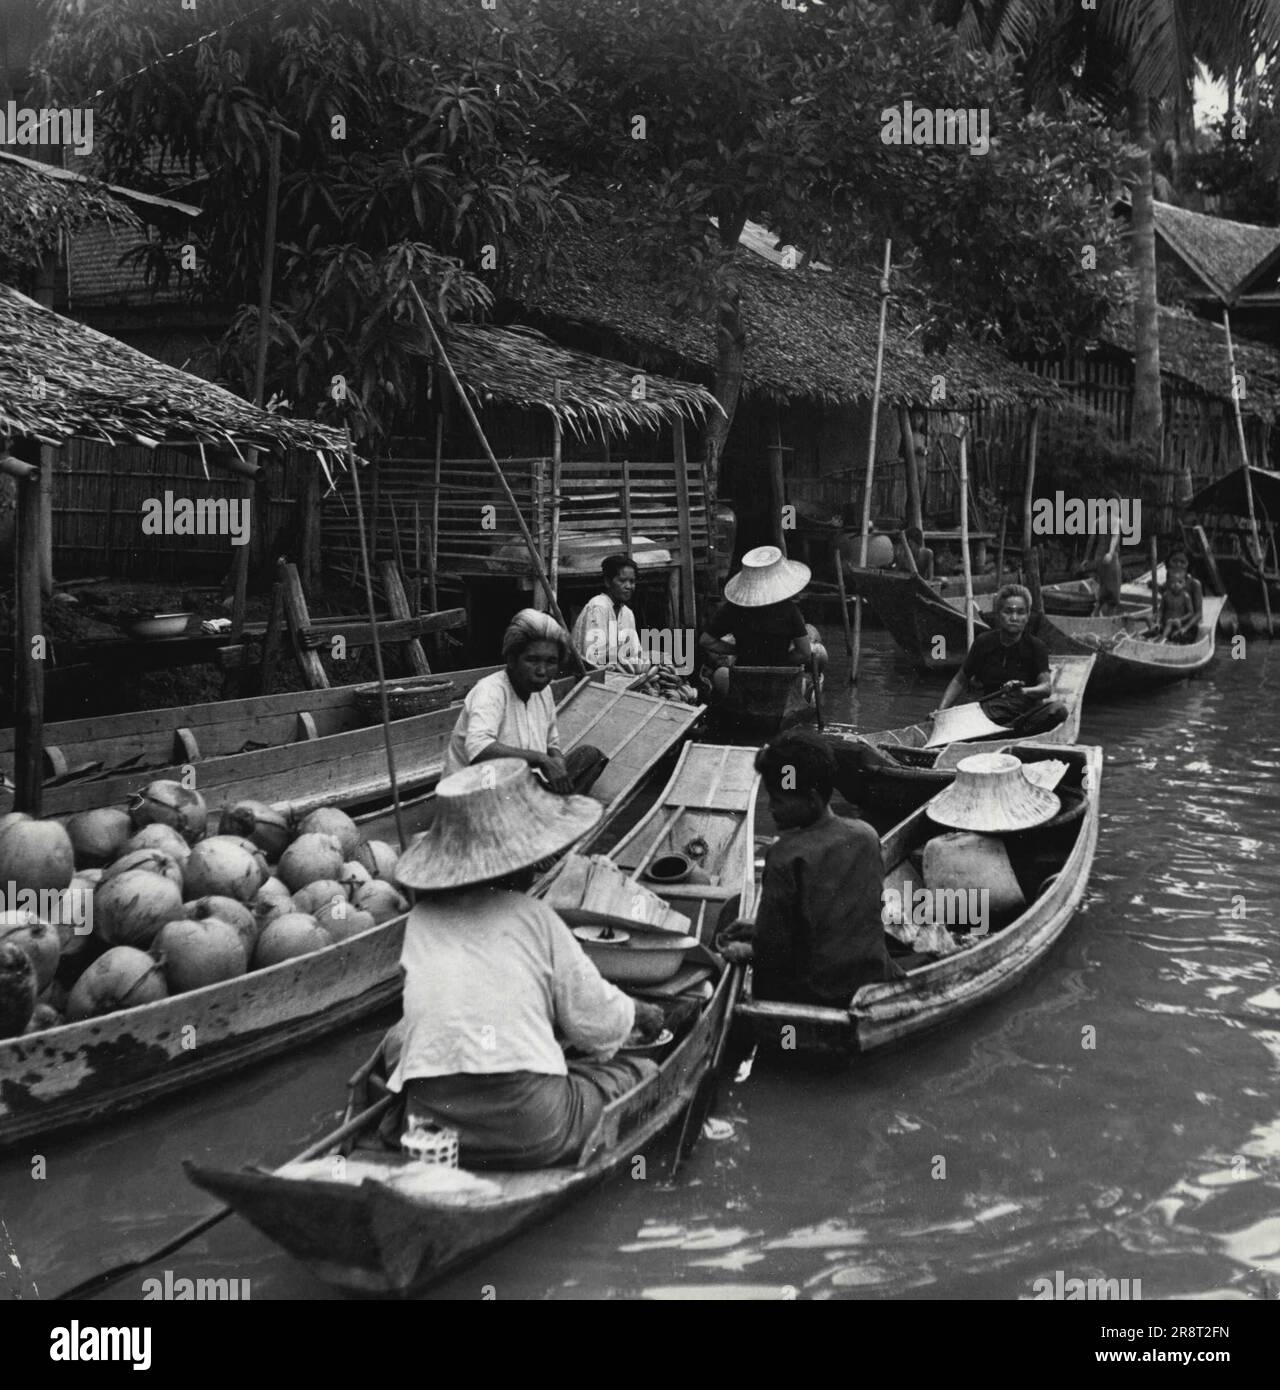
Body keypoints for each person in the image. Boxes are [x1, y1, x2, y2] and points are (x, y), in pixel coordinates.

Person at [386, 759, 667, 1169]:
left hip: (429, 1121)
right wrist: (640, 1013)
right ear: (520, 862)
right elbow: (594, 1023)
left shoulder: (420, 921)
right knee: (635, 1074)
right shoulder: (536, 918)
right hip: (531, 1128)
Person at [716, 729, 903, 1005]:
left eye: (779, 800)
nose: (771, 809)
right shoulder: (866, 835)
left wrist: (744, 950)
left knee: (728, 943)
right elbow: (840, 921)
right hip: (871, 979)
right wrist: (758, 929)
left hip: (811, 993)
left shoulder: (785, 855)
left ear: (812, 799)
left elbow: (772, 953)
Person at [444, 608, 606, 794]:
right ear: (512, 659)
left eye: (551, 661)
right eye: (532, 660)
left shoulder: (543, 693)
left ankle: (547, 807)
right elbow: (479, 748)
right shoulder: (490, 691)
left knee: (590, 756)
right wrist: (542, 760)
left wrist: (557, 763)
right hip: (479, 793)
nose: (542, 671)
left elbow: (551, 744)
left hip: (520, 784)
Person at [699, 545, 827, 702]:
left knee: (720, 674)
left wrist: (738, 650)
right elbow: (804, 652)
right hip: (781, 679)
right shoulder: (789, 610)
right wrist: (780, 658)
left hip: (744, 679)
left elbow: (706, 641)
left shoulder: (732, 609)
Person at [937, 584, 1067, 736]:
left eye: (1020, 612)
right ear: (998, 614)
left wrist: (1024, 691)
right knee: (971, 714)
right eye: (1008, 611)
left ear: (1027, 616)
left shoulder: (1036, 647)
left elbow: (1046, 688)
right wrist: (941, 711)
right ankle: (996, 733)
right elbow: (960, 680)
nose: (1014, 618)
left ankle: (1001, 734)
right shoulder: (983, 642)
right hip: (988, 713)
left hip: (1023, 715)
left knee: (1058, 710)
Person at [571, 553, 697, 701]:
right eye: (622, 581)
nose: (629, 586)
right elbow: (592, 656)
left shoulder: (627, 613)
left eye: (632, 581)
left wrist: (656, 656)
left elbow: (635, 652)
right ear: (607, 582)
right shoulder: (598, 606)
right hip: (592, 679)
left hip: (622, 677)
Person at [1144, 549, 1204, 643]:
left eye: (1182, 562)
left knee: (1177, 638)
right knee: (1150, 631)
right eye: (1175, 561)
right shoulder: (1169, 583)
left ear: (1188, 565)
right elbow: (1165, 600)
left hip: (1185, 627)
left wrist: (1184, 628)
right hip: (1166, 624)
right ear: (1168, 564)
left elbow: (1198, 614)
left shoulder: (1195, 584)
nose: (1178, 565)